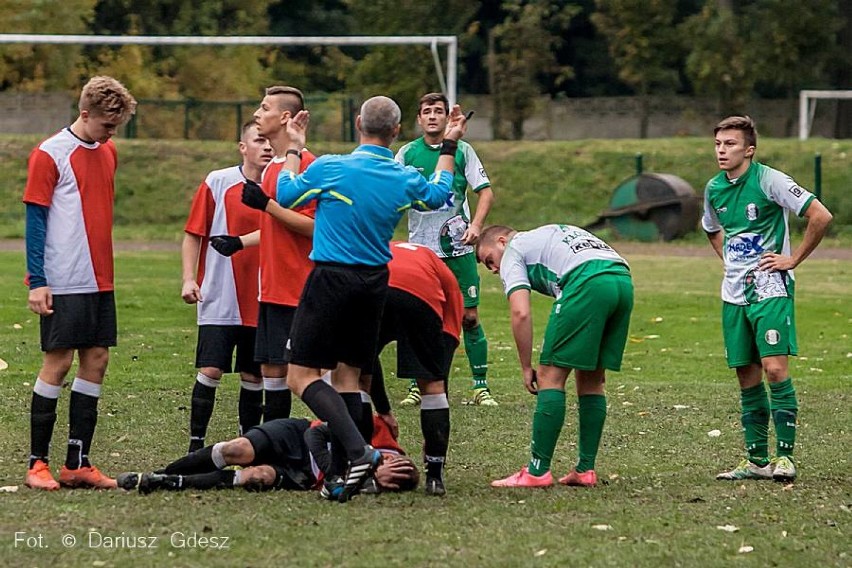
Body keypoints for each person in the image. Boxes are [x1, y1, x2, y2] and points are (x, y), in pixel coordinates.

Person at [271, 95, 464, 502]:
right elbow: (440, 194)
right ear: (396, 132)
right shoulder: (402, 177)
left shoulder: (331, 167)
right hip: (375, 283)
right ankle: (343, 474)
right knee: (348, 378)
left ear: (358, 122)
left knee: (300, 376)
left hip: (331, 278)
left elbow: (285, 194)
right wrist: (449, 146)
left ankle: (360, 451)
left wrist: (294, 148)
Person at [702, 116, 832, 482]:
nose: (722, 150)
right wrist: (729, 263)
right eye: (718, 144)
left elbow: (820, 215)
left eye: (730, 144)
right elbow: (711, 228)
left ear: (749, 149)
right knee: (746, 375)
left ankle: (786, 457)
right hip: (733, 294)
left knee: (774, 369)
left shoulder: (769, 179)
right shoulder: (714, 188)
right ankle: (757, 461)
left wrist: (793, 259)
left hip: (770, 288)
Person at [23, 76, 137, 490]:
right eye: (107, 124)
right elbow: (36, 220)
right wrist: (38, 281)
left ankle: (77, 462)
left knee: (97, 359)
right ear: (84, 113)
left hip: (99, 279)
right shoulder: (50, 154)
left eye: (117, 126)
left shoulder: (108, 151)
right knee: (59, 361)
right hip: (63, 276)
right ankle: (37, 464)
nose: (111, 133)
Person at [477, 224, 633, 488]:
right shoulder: (548, 232)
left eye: (489, 260)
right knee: (592, 378)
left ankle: (537, 471)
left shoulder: (513, 250)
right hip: (621, 278)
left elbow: (520, 313)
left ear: (501, 241)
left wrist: (526, 366)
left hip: (587, 280)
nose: (492, 269)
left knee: (550, 374)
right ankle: (585, 469)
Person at [395, 93, 496, 407]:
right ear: (419, 119)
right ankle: (416, 385)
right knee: (419, 319)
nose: (433, 116)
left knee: (469, 317)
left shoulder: (463, 151)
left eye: (439, 111)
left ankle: (480, 387)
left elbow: (486, 192)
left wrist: (476, 226)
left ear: (446, 117)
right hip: (420, 253)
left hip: (459, 249)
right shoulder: (407, 153)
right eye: (427, 111)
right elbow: (392, 193)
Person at [180, 121, 272, 453]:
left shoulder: (281, 186)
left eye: (269, 141)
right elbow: (194, 233)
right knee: (211, 369)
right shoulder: (218, 182)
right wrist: (189, 278)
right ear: (242, 147)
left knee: (254, 375)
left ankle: (249, 444)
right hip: (219, 295)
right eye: (258, 140)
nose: (266, 147)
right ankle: (195, 446)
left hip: (263, 297)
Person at [233, 86, 318, 437]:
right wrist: (239, 242)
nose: (257, 112)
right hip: (271, 288)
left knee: (311, 374)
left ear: (284, 118)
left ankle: (340, 444)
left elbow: (315, 227)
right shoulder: (272, 168)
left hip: (299, 289)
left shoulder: (308, 165)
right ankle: (272, 445)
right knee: (271, 369)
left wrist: (266, 205)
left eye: (264, 107)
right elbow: (274, 229)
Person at [359, 241, 463, 496]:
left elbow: (369, 360)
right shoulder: (436, 264)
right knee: (433, 388)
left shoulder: (383, 245)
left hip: (371, 286)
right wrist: (437, 386)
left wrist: (383, 410)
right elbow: (449, 330)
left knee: (357, 376)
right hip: (420, 296)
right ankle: (435, 477)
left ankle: (361, 471)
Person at [115, 415, 418, 495]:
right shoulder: (374, 428)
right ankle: (161, 470)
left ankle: (167, 482)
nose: (382, 468)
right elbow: (314, 434)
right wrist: (331, 471)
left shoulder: (370, 485)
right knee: (238, 450)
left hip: (304, 475)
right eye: (387, 462)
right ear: (390, 456)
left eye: (383, 481)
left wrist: (371, 482)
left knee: (256, 477)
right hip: (295, 436)